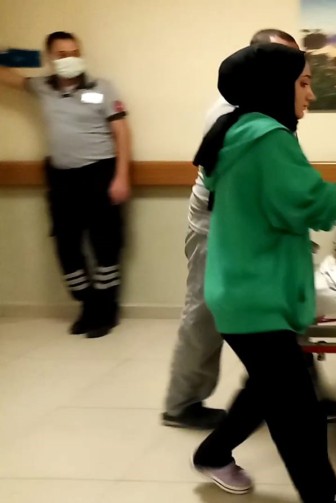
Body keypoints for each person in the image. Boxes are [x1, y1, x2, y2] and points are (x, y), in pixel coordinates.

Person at [189, 43, 336, 501]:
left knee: (267, 390)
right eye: (304, 83)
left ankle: (213, 454)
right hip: (254, 295)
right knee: (297, 413)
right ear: (276, 86)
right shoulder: (268, 137)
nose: (311, 94)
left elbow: (287, 197)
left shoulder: (241, 132)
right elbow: (308, 203)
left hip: (243, 288)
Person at [162, 28, 306, 431]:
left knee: (271, 314)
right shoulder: (233, 112)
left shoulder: (273, 104)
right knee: (205, 312)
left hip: (245, 221)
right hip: (217, 222)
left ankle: (288, 390)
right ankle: (182, 403)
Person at [0, 31, 131, 338]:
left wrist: (122, 176)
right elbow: (6, 77)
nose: (69, 59)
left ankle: (106, 310)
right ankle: (87, 305)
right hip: (61, 177)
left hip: (100, 172)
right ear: (49, 58)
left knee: (105, 244)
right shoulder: (42, 87)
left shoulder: (102, 88)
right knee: (66, 245)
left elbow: (122, 133)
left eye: (74, 52)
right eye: (61, 54)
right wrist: (6, 54)